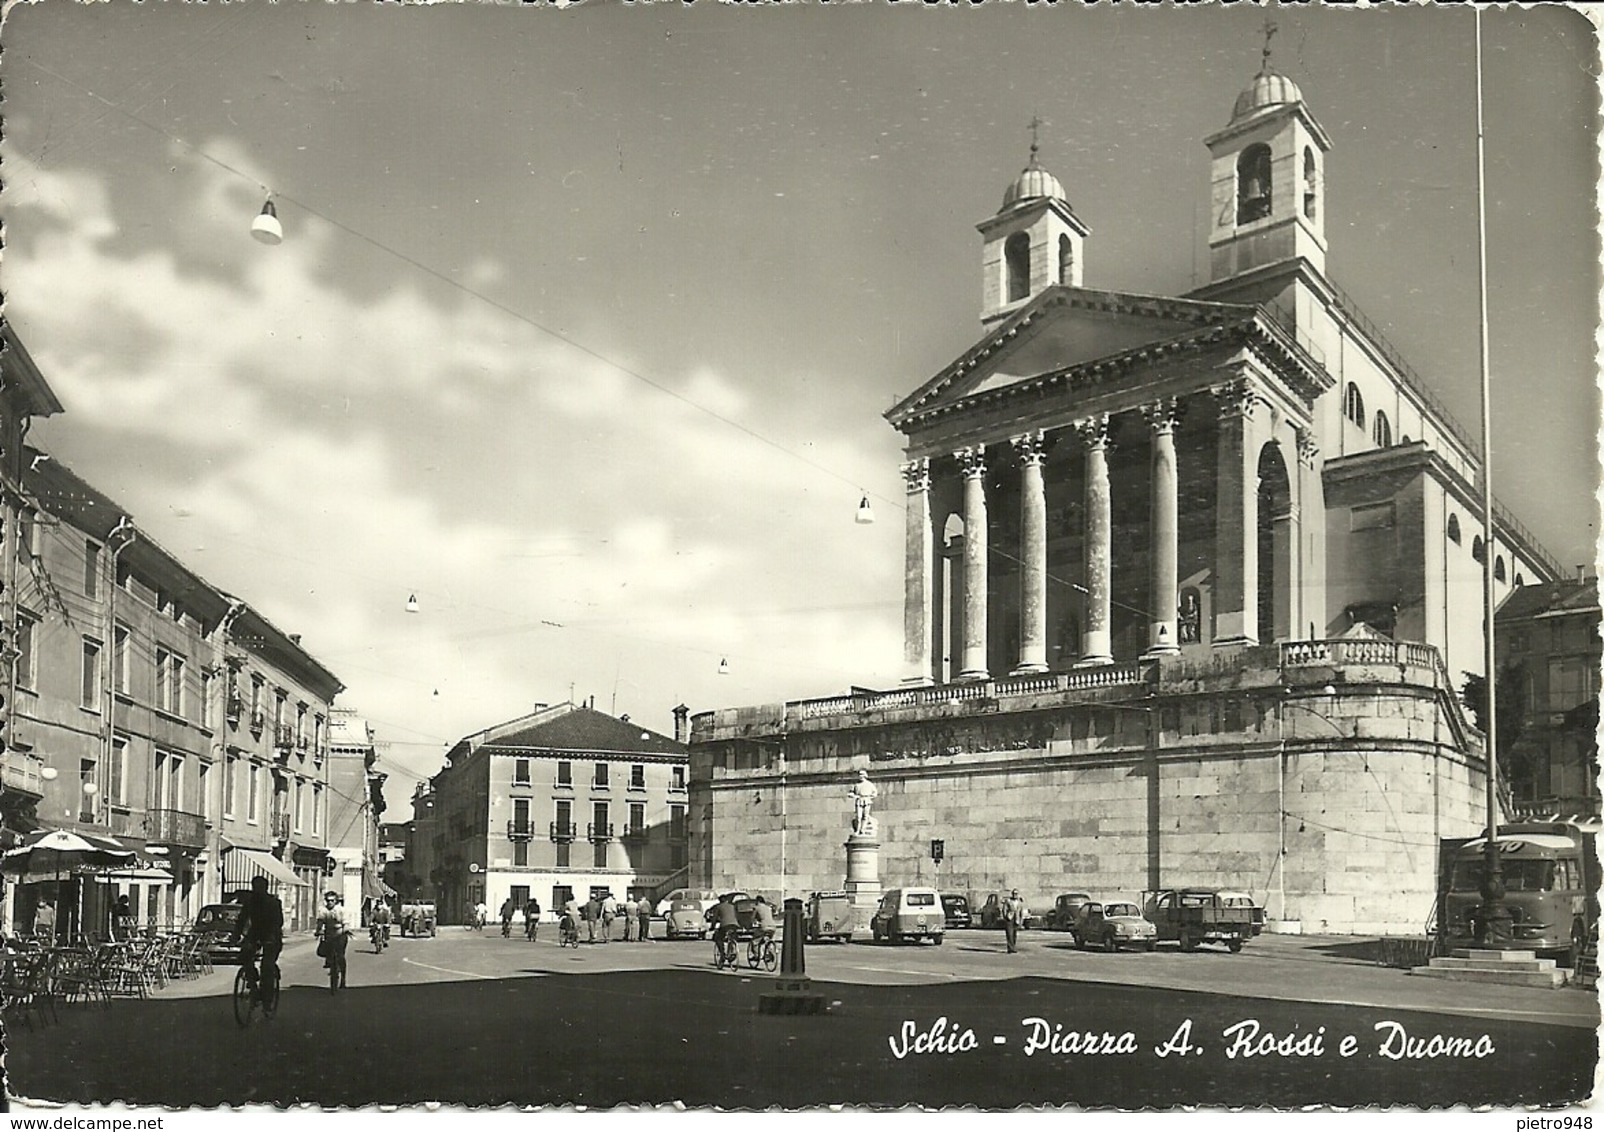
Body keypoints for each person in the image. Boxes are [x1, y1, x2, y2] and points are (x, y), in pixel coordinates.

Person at [232, 876, 285, 1000]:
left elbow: (279, 922)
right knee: (244, 955)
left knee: (267, 965)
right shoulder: (250, 902)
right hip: (255, 933)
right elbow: (241, 920)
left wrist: (271, 936)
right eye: (255, 887)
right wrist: (235, 936)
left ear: (265, 888)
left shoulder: (273, 903)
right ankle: (252, 982)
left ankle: (267, 998)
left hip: (271, 935)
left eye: (260, 887)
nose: (257, 890)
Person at [316, 890, 353, 992]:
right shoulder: (323, 911)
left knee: (340, 955)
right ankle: (329, 961)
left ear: (336, 901)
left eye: (332, 900)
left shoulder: (341, 910)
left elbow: (345, 923)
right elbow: (320, 922)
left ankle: (343, 979)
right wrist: (318, 931)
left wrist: (345, 929)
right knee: (327, 951)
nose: (330, 903)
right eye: (328, 900)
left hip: (340, 934)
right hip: (329, 934)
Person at [706, 894, 740, 963]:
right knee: (732, 937)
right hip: (735, 925)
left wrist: (712, 927)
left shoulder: (718, 907)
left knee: (718, 938)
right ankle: (732, 950)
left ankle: (722, 955)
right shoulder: (732, 906)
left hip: (725, 925)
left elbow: (714, 919)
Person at [1003, 889, 1028, 955]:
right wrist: (1006, 917)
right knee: (1009, 933)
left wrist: (1021, 920)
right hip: (1009, 918)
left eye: (1016, 894)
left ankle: (1013, 947)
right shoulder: (1008, 901)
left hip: (1016, 919)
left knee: (1014, 934)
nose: (1015, 895)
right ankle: (1010, 948)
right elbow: (1004, 909)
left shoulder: (1020, 902)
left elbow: (1021, 912)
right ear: (1012, 894)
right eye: (1014, 893)